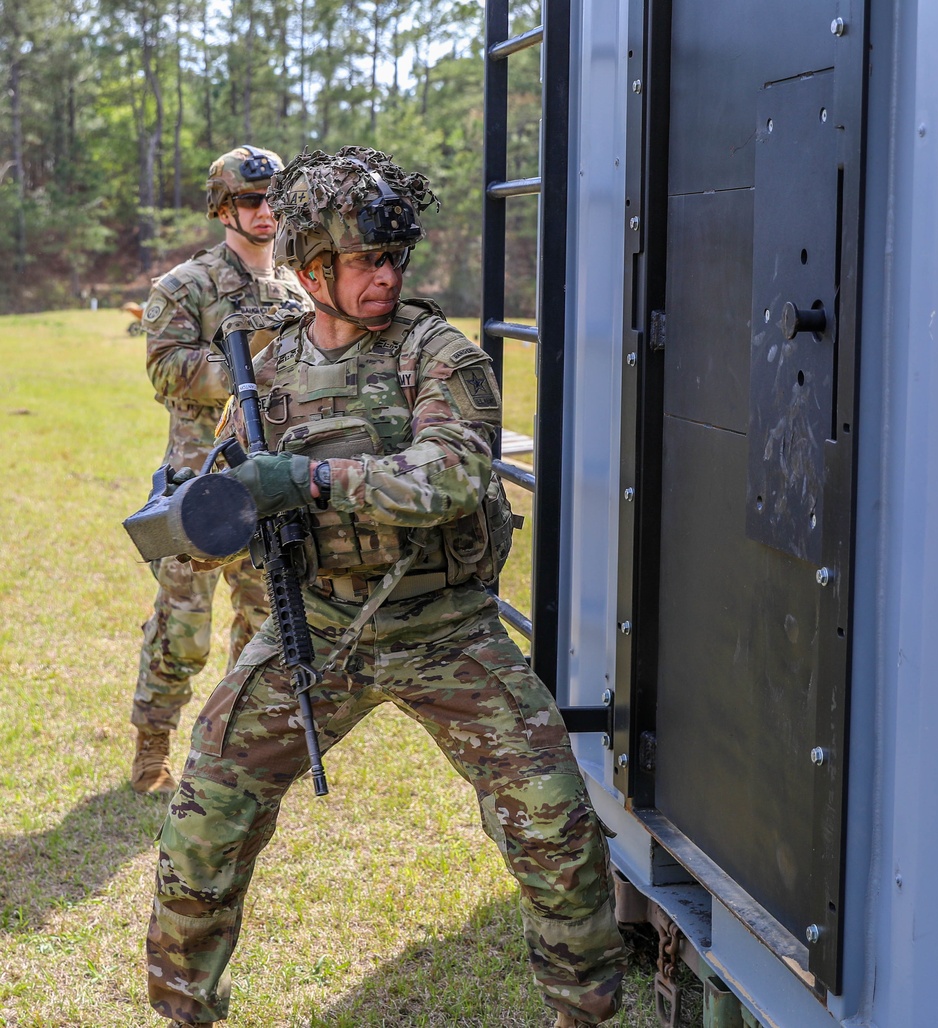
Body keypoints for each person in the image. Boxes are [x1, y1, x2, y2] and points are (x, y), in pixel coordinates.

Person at [145, 146, 628, 1028]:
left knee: (556, 830)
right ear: (311, 266)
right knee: (204, 824)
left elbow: (452, 474)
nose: (386, 276)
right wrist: (210, 521)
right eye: (366, 260)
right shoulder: (263, 369)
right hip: (315, 629)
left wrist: (315, 482)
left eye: (394, 257)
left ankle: (584, 1012)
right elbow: (219, 500)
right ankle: (182, 1011)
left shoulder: (437, 352)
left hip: (445, 632)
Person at [131, 145, 311, 795]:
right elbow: (165, 367)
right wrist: (247, 382)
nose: (266, 213)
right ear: (221, 209)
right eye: (251, 201)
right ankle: (152, 741)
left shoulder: (297, 285)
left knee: (265, 626)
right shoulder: (186, 286)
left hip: (270, 479)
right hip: (198, 481)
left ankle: (234, 751)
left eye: (275, 202)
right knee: (183, 629)